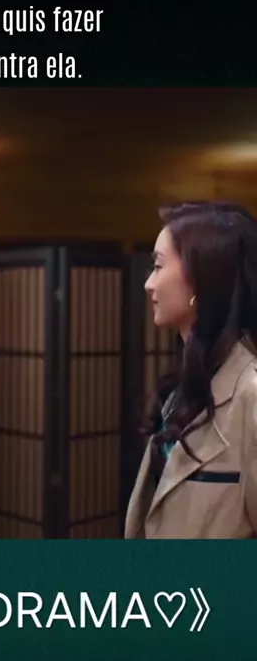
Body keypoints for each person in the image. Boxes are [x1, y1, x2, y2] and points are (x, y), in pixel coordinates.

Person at [125, 200, 257, 539]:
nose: (148, 284)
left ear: (200, 279)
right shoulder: (188, 385)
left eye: (158, 266)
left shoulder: (251, 395)